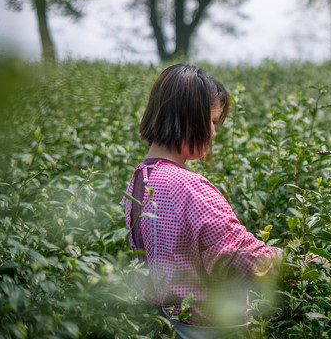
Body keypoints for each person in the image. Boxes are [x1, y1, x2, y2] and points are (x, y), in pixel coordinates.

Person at [121, 64, 282, 338]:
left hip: (165, 325)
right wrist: (297, 262)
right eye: (211, 121)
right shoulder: (190, 187)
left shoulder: (139, 180)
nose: (213, 134)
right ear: (188, 119)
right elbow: (239, 260)